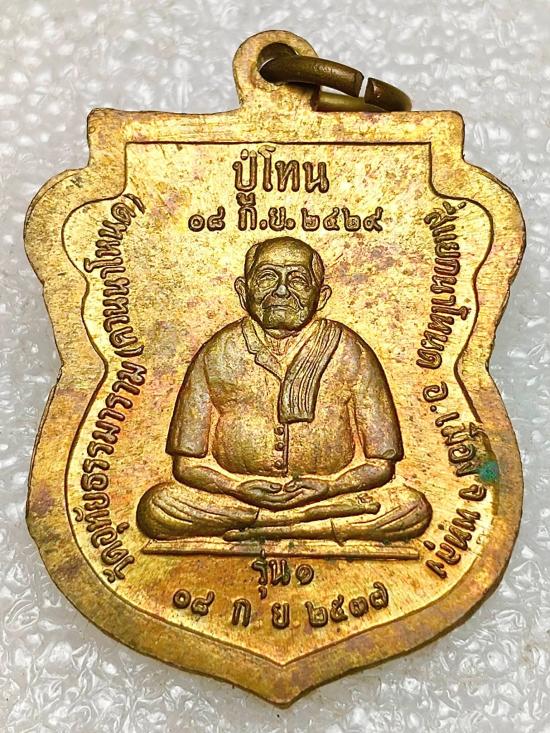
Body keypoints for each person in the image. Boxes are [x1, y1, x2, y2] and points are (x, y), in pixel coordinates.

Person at [137, 236, 431, 543]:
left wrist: (331, 487)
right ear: (243, 291)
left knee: (409, 506)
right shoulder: (216, 353)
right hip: (240, 503)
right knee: (158, 505)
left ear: (322, 296)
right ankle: (294, 526)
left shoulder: (350, 351)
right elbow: (186, 466)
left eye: (298, 281)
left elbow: (381, 465)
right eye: (267, 277)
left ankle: (275, 525)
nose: (281, 291)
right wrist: (235, 487)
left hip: (327, 502)